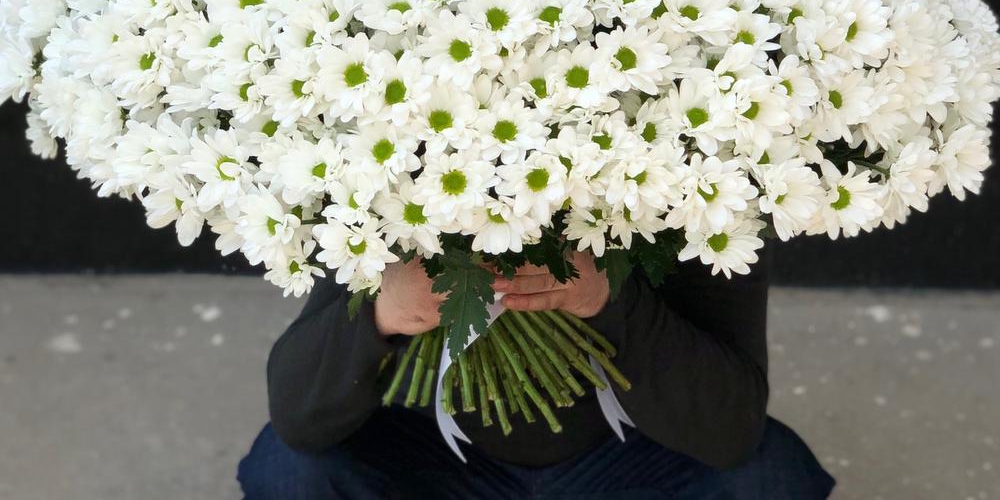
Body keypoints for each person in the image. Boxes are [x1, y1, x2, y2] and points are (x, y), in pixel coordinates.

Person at [238, 247, 835, 498]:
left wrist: (607, 297)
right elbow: (297, 416)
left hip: (625, 452)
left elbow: (731, 431)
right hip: (438, 461)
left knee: (768, 471)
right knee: (289, 466)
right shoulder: (382, 176)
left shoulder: (706, 181)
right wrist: (385, 310)